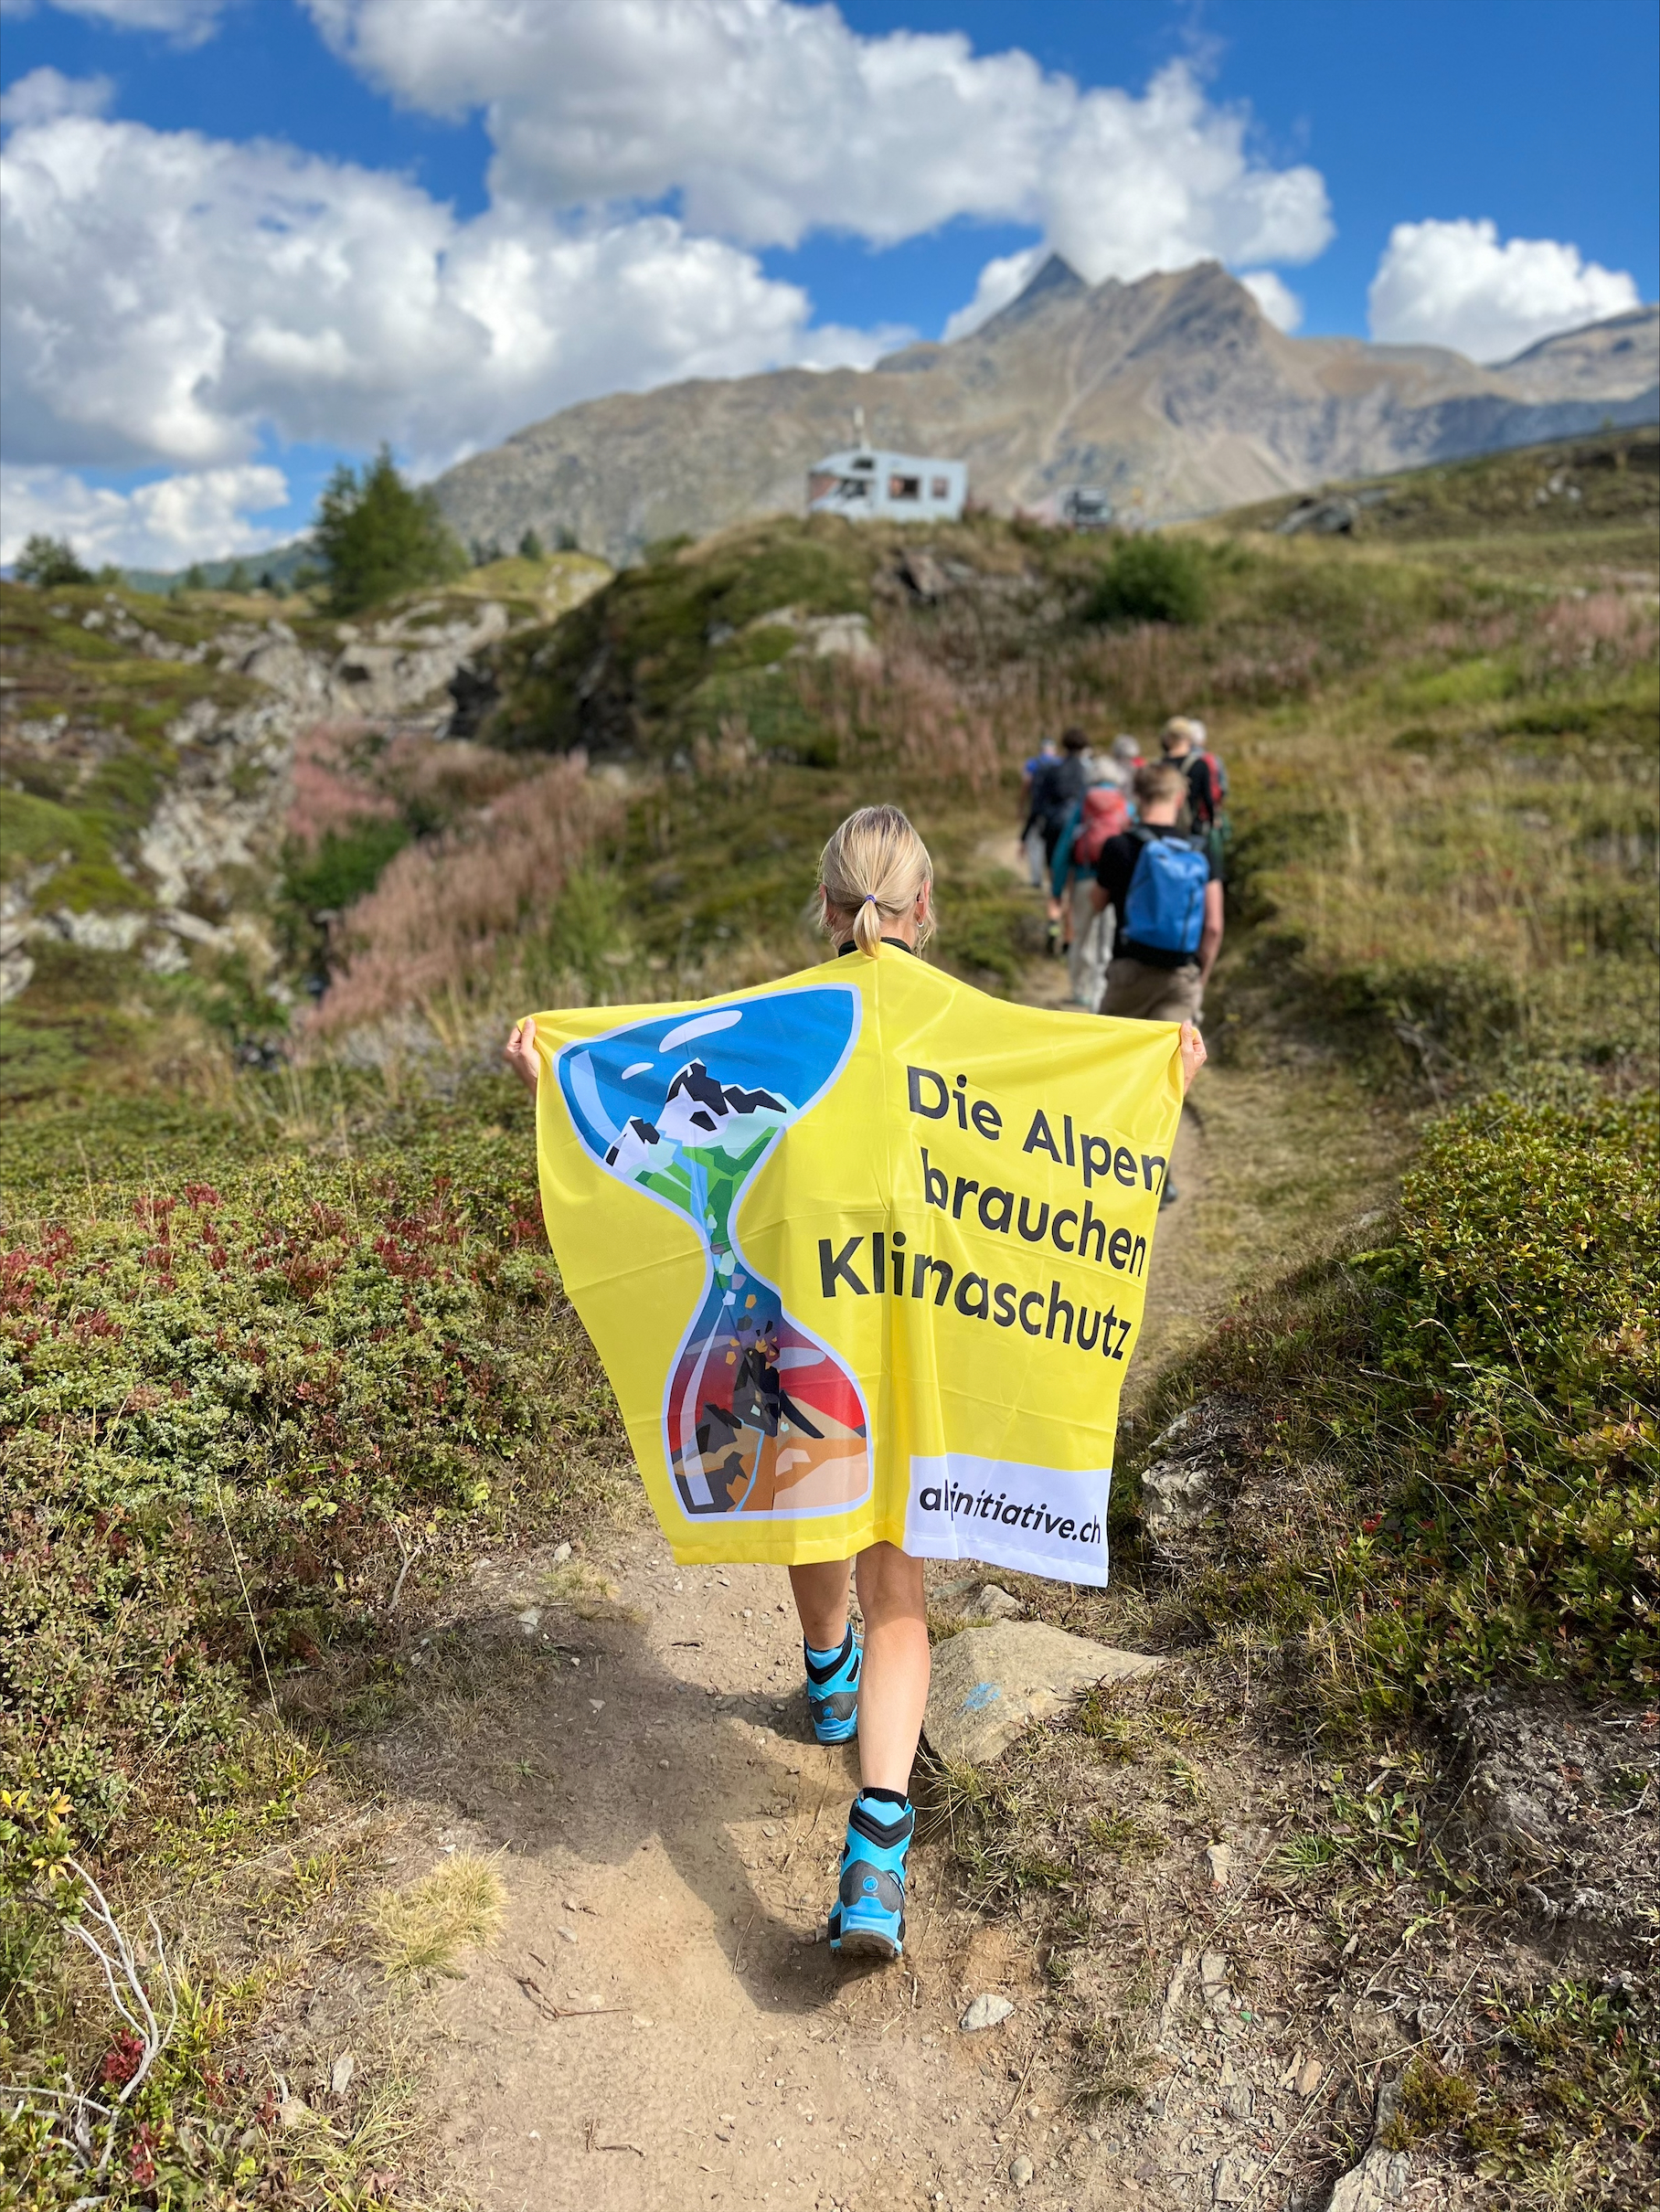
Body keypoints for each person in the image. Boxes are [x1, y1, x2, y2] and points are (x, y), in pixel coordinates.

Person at [505, 806, 1207, 1961]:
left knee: (808, 1486)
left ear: (825, 906)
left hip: (808, 1321)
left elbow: (645, 1075)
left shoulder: (780, 1028)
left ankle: (827, 1675)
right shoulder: (968, 1031)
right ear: (926, 906)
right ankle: (876, 1845)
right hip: (913, 1337)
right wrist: (1156, 1070)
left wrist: (557, 1065)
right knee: (902, 1589)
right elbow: (1058, 1092)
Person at [1092, 761, 1223, 1206]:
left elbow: (1096, 902)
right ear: (1180, 797)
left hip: (1129, 974)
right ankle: (1157, 1175)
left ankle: (1105, 1170)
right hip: (1180, 978)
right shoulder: (1202, 848)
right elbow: (1214, 928)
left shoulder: (1120, 846)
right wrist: (1198, 978)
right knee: (1166, 1080)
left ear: (1137, 796)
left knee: (1112, 1072)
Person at [1049, 769, 1130, 1008]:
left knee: (1081, 937)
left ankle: (1079, 990)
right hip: (1115, 883)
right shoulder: (1125, 805)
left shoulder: (1083, 806)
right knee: (1107, 941)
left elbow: (1064, 847)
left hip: (1084, 878)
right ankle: (1100, 995)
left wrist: (1057, 889)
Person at [1024, 728, 1091, 955]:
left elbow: (1037, 805)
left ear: (1063, 744)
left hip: (1053, 831)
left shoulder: (1052, 770)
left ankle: (1053, 923)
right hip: (1078, 834)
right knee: (1072, 888)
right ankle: (1068, 941)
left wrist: (1025, 835)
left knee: (1055, 885)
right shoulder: (1089, 771)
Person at [1160, 716, 1229, 861]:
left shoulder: (1160, 766)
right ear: (1188, 738)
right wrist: (1213, 819)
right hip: (1193, 826)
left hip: (1165, 828)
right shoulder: (1200, 765)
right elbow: (1208, 798)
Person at [1018, 737, 1059, 889]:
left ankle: (1036, 879)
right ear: (1054, 750)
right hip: (1055, 812)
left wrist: (1021, 805)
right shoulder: (1059, 763)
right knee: (1054, 845)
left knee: (1035, 844)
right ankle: (1055, 880)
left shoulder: (1032, 763)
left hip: (1037, 810)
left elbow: (1026, 784)